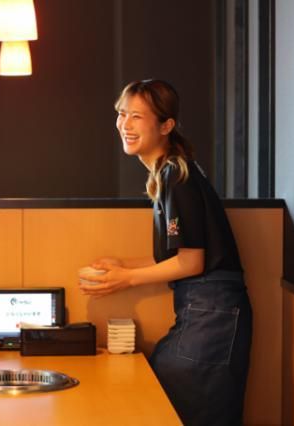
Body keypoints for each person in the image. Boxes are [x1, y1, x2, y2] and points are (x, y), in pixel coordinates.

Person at [79, 79, 252, 426]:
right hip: (206, 309)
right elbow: (176, 257)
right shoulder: (169, 172)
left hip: (213, 312)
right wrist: (123, 265)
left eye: (137, 116)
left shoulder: (177, 174)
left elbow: (192, 262)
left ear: (166, 125)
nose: (125, 125)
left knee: (173, 392)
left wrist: (126, 278)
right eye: (122, 114)